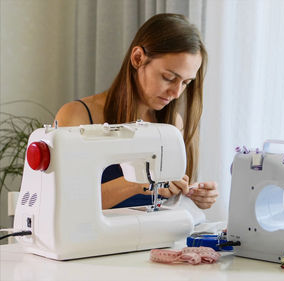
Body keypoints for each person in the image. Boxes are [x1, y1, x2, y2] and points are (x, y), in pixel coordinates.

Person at [54, 13, 218, 210]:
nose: (176, 92)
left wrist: (194, 194)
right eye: (168, 77)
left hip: (152, 236)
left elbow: (168, 196)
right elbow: (68, 201)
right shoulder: (77, 115)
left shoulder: (172, 122)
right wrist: (139, 183)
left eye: (185, 83)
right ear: (138, 58)